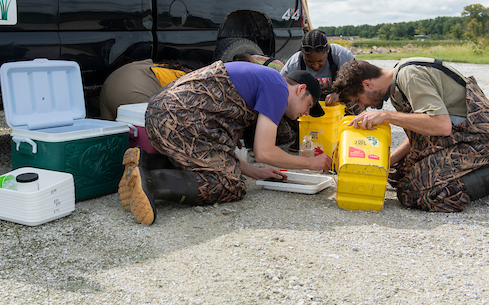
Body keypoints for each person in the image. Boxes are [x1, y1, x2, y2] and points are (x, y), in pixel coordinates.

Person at [118, 60, 332, 225]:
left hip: (160, 116)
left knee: (229, 171)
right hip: (180, 120)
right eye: (309, 104)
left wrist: (256, 172)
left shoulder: (262, 79)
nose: (305, 113)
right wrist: (312, 164)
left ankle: (146, 164)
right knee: (231, 185)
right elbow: (264, 152)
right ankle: (154, 182)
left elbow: (219, 152)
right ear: (301, 89)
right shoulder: (278, 86)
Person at [332, 57, 489, 212]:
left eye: (359, 99)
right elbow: (420, 132)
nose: (362, 106)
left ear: (367, 84)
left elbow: (441, 125)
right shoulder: (397, 85)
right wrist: (385, 163)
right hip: (460, 136)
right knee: (395, 175)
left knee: (413, 192)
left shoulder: (410, 75)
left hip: (478, 139)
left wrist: (387, 116)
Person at [99, 59, 196, 120]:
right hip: (134, 89)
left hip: (111, 81)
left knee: (110, 141)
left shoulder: (170, 67)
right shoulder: (197, 80)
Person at [280, 29, 355, 106]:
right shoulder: (295, 62)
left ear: (328, 50)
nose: (315, 65)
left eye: (320, 61)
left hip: (340, 102)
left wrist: (340, 94)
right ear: (302, 53)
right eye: (309, 61)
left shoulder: (341, 56)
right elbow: (280, 87)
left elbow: (360, 80)